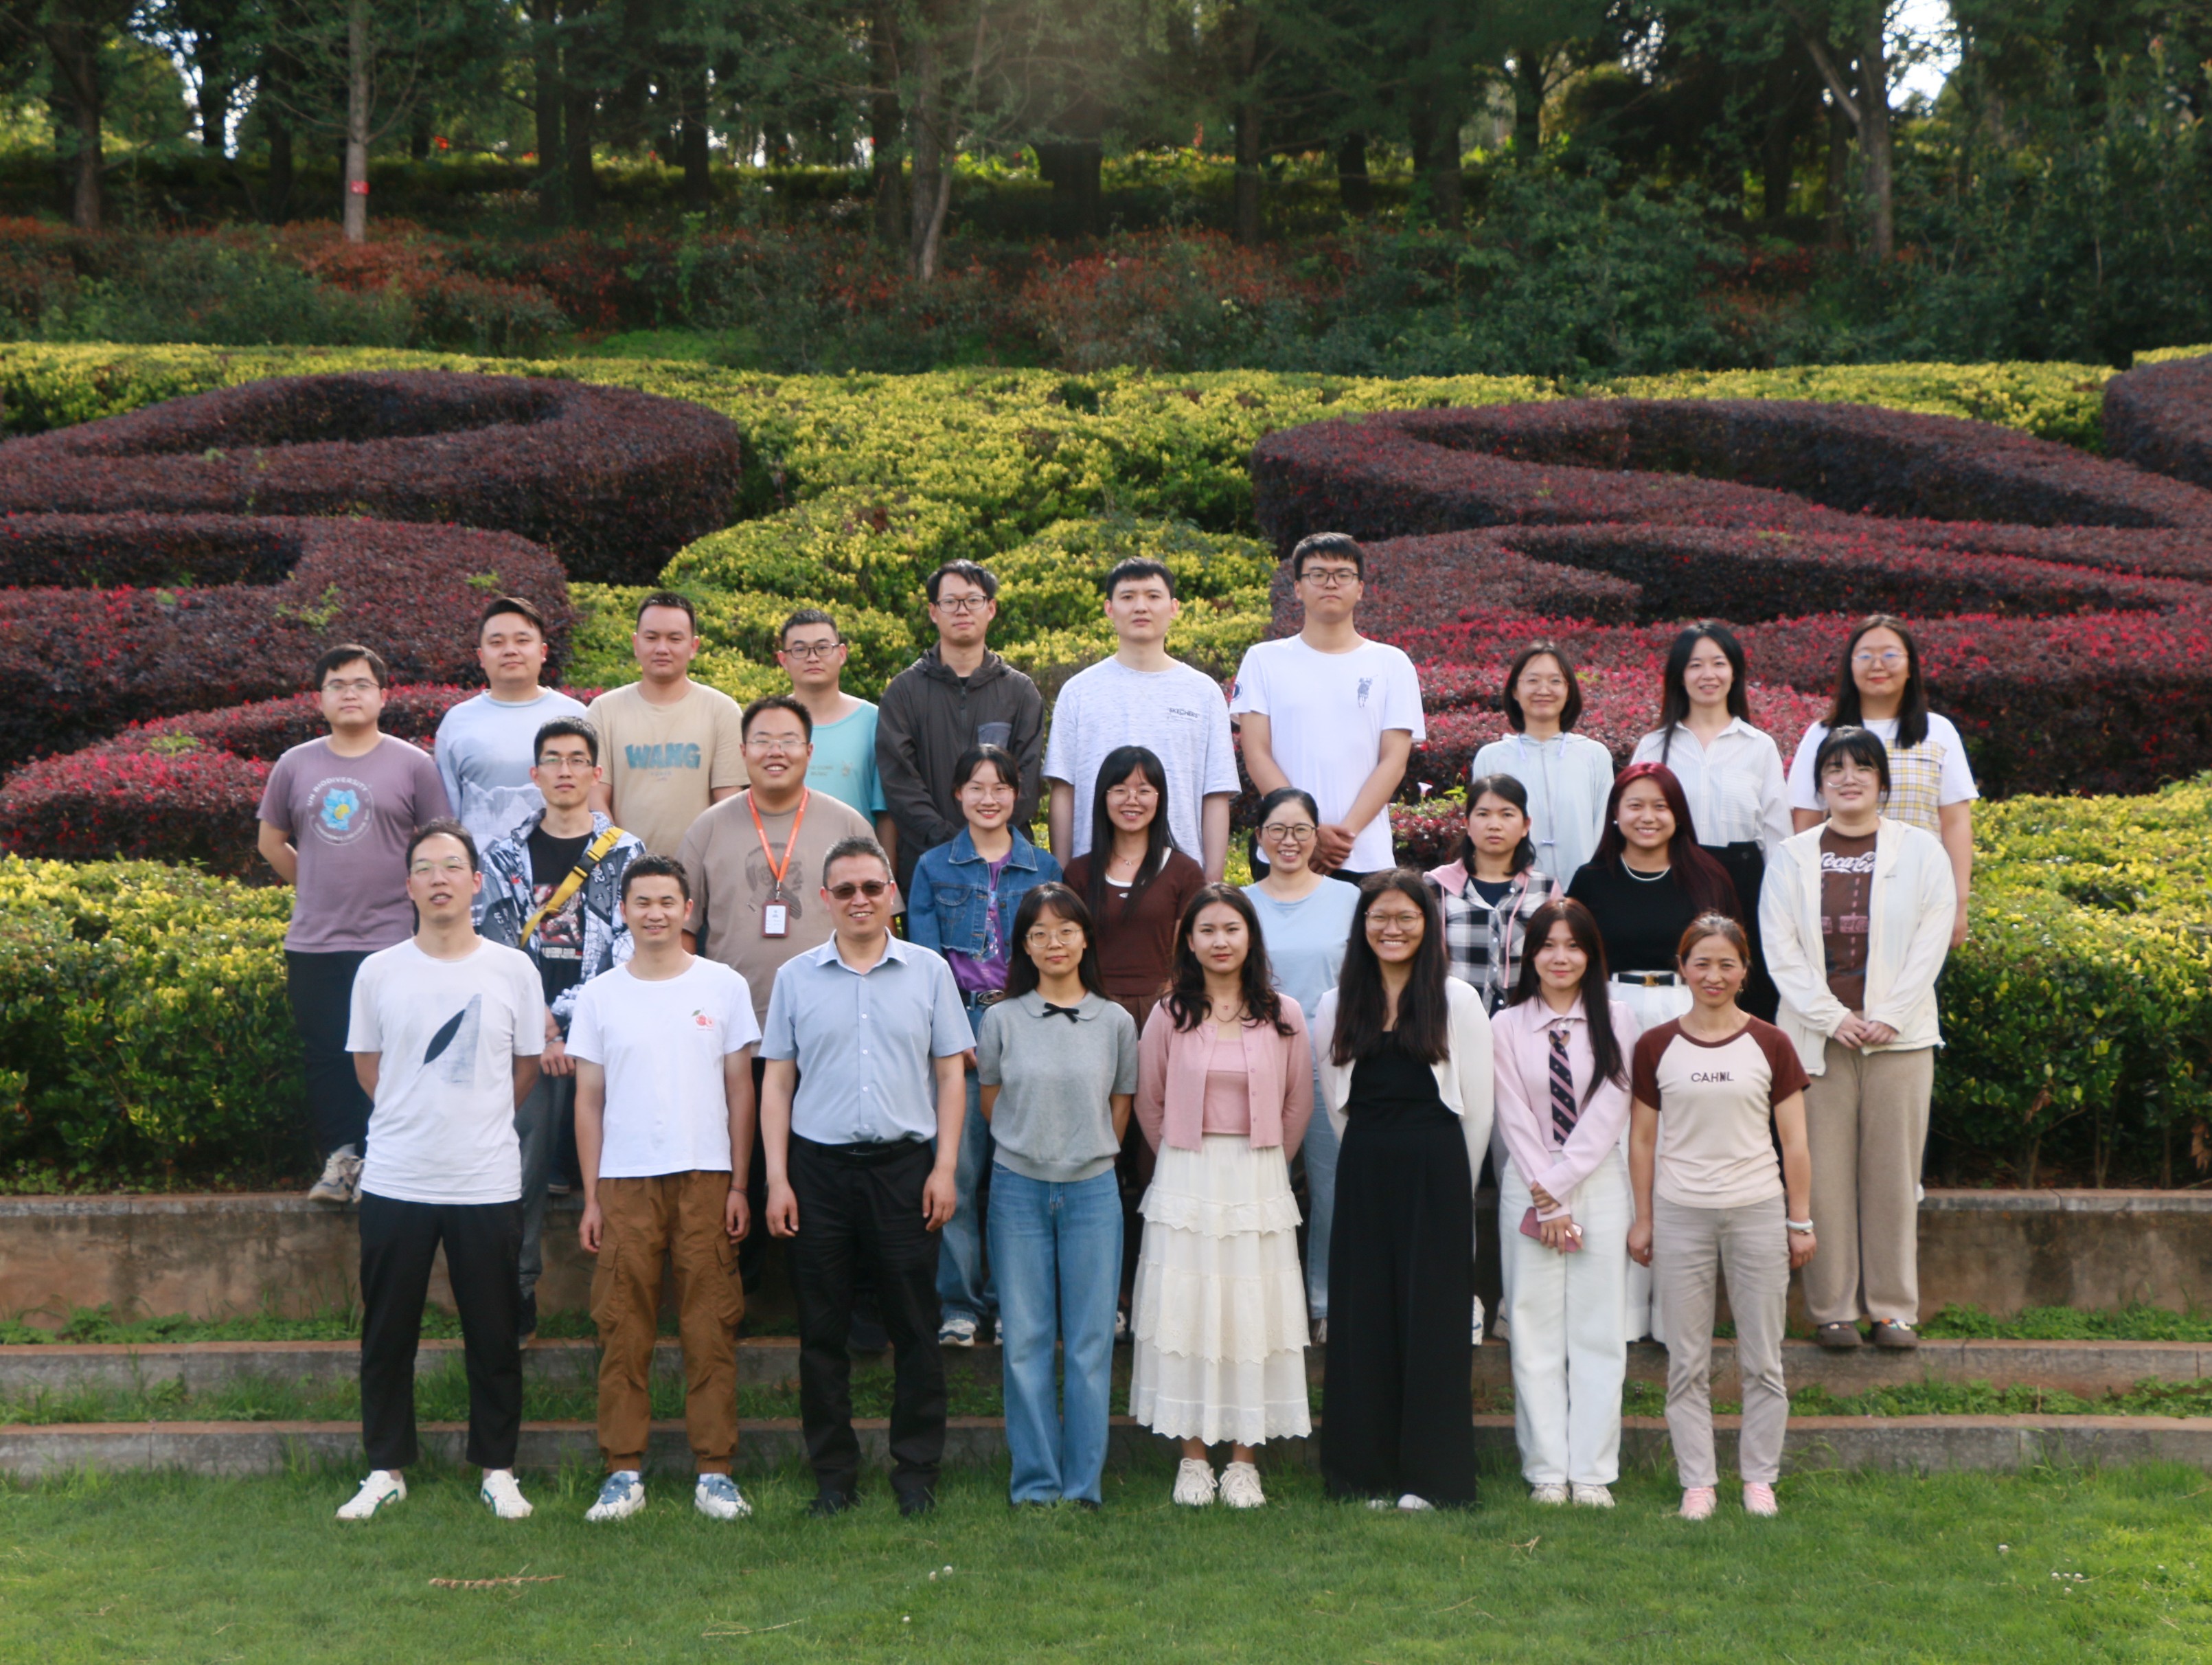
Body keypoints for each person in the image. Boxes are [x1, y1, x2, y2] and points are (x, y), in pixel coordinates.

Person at [334, 820, 545, 1523]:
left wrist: (474, 1117)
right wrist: (415, 1115)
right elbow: (369, 1068)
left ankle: (498, 1469)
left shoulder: (512, 969)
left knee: (494, 1334)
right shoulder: (379, 971)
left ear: (476, 882)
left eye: (452, 866)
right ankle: (385, 1468)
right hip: (397, 1178)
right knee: (387, 1333)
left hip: (485, 1179)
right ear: (408, 886)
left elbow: (524, 1068)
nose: (439, 879)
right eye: (424, 868)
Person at [759, 836, 972, 1517]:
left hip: (904, 1171)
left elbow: (950, 1076)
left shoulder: (928, 972)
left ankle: (916, 1475)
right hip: (817, 1172)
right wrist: (777, 1179)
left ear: (892, 895)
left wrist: (944, 1168)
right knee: (822, 1333)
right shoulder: (795, 978)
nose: (859, 900)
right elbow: (776, 1083)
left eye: (872, 888)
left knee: (914, 1327)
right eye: (845, 890)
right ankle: (833, 1479)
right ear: (824, 899)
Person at [569, 854, 760, 1524]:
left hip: (706, 1175)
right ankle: (623, 1471)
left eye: (667, 902)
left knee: (710, 1324)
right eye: (642, 902)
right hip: (624, 1181)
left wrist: (739, 1184)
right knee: (623, 1325)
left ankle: (715, 1472)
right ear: (623, 911)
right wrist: (592, 1197)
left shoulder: (723, 985)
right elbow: (588, 1101)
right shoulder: (600, 995)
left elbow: (741, 1090)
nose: (655, 913)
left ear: (687, 910)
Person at [1761, 727, 1957, 1354]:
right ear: (1818, 783)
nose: (1848, 778)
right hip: (1816, 1040)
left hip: (1900, 1040)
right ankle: (1832, 1309)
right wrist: (1830, 1015)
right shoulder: (1791, 856)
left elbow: (1931, 937)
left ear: (1882, 781)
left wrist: (1889, 1014)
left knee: (1892, 1177)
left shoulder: (1921, 850)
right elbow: (1780, 949)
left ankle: (1893, 1309)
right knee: (1821, 1177)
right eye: (1835, 768)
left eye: (1862, 767)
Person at [676, 695, 875, 1298]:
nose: (775, 752)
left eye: (788, 740)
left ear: (810, 751)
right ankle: (737, 1299)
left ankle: (838, 1301)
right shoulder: (709, 828)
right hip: (736, 1032)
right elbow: (685, 932)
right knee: (744, 1168)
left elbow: (875, 923)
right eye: (762, 740)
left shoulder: (846, 824)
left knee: (825, 1165)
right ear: (742, 752)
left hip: (829, 1031)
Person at [1312, 873, 1493, 1510]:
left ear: (1427, 925)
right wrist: (1369, 1155)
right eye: (1379, 917)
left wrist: (1456, 1187)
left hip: (1437, 1166)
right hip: (1364, 1166)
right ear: (1362, 926)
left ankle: (1432, 1479)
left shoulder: (1456, 1000)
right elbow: (1337, 1106)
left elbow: (1478, 1108)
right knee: (1362, 1319)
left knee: (1432, 1323)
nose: (1392, 929)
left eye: (1406, 918)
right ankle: (1362, 1474)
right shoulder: (1335, 1004)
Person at [1130, 884, 1314, 1510]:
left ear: (1250, 937)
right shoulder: (1168, 1014)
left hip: (1258, 1176)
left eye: (1231, 929)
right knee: (1188, 1309)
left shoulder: (1283, 1014)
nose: (1219, 941)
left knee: (1250, 1314)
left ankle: (1242, 1463)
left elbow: (1298, 1102)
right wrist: (1185, 1155)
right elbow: (1150, 1101)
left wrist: (1265, 1167)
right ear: (1188, 941)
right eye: (1206, 930)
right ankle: (1192, 1460)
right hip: (1187, 1174)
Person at [1627, 914, 1814, 1522]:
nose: (1713, 975)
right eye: (1701, 963)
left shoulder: (1771, 1043)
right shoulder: (1655, 1045)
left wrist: (1799, 1220)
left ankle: (1759, 1479)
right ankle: (1698, 1483)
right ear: (1681, 969)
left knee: (1763, 1358)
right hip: (1681, 1213)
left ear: (1743, 971)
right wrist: (1644, 1218)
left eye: (1726, 964)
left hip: (1756, 1210)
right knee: (1686, 1361)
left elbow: (1795, 1141)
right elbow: (1642, 1140)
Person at [257, 644, 451, 1205]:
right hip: (315, 941)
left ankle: (387, 1162)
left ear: (383, 696)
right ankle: (341, 1162)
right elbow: (270, 842)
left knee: (395, 1054)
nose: (350, 694)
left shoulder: (412, 765)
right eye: (337, 684)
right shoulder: (295, 764)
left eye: (362, 684)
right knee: (327, 1056)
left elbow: (438, 847)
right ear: (320, 698)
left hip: (393, 940)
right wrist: (315, 883)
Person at [478, 716, 646, 1341]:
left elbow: (630, 949)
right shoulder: (502, 856)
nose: (566, 770)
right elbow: (496, 944)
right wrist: (542, 1030)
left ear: (596, 773)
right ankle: (517, 1291)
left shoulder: (626, 854)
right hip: (526, 1040)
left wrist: (570, 1027)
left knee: (625, 1169)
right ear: (535, 774)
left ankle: (625, 1298)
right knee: (518, 1171)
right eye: (553, 759)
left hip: (603, 1035)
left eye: (578, 759)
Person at [976, 883, 1139, 1508]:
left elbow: (1119, 1104)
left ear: (1086, 939)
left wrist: (1085, 1149)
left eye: (1066, 930)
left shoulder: (1115, 1022)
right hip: (1017, 1190)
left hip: (1092, 1192)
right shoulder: (1001, 1019)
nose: (1054, 943)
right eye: (1039, 933)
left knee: (1091, 1342)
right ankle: (1036, 1483)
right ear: (1024, 945)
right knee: (1024, 1341)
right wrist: (1033, 1143)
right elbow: (992, 1100)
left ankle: (1082, 1484)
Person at [907, 743, 1064, 1348]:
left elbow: (1055, 956)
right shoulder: (933, 867)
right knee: (957, 1169)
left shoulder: (1043, 866)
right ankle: (960, 1306)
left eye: (1000, 787)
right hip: (960, 1027)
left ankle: (1011, 1304)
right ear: (957, 795)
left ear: (1017, 795)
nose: (988, 798)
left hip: (1026, 1023)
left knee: (1017, 1176)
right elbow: (926, 963)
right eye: (975, 787)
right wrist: (955, 1036)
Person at [1490, 898, 1637, 1508]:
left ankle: (1593, 1473)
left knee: (1598, 1330)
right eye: (1547, 945)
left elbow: (1612, 1106)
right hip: (1528, 1185)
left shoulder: (1617, 1017)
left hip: (1597, 1182)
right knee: (1533, 1330)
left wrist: (1564, 1184)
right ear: (1529, 956)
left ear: (1590, 955)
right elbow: (1512, 1115)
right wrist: (1547, 1197)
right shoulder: (1504, 1025)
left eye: (1573, 946)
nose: (1560, 957)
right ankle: (1547, 1470)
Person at [1060, 746, 1207, 1331]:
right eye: (1120, 788)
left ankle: (1155, 1293)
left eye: (1145, 789)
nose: (1132, 799)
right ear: (1102, 798)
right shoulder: (1078, 872)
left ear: (1160, 799)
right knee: (1098, 1157)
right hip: (1093, 1020)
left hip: (1162, 1020)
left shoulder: (1183, 871)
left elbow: (1190, 957)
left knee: (1155, 1157)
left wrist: (1170, 1013)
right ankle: (1103, 1296)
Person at [1231, 532, 1424, 883]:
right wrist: (1306, 831)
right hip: (1283, 849)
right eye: (1317, 574)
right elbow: (1256, 753)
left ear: (1360, 588)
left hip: (1364, 853)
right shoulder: (1264, 660)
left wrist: (1343, 836)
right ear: (1297, 588)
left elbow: (1394, 762)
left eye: (1343, 575)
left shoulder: (1392, 664)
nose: (1330, 583)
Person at [1241, 786, 1360, 1340]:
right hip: (1256, 1059)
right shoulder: (1240, 904)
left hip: (1332, 1058)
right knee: (1260, 1185)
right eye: (1277, 830)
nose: (1288, 841)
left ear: (1316, 837)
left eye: (1301, 830)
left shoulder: (1347, 899)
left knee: (1333, 1187)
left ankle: (1324, 1302)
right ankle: (1260, 1305)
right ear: (1258, 838)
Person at [1630, 622, 1791, 1020]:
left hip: (1744, 882)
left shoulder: (1759, 747)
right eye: (1695, 664)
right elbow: (1631, 823)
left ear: (1734, 672)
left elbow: (1776, 834)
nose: (1708, 674)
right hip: (1672, 878)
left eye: (1718, 663)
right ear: (1679, 675)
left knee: (1744, 997)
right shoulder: (1654, 746)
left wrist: (1783, 902)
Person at [1786, 614, 1976, 949]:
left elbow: (1956, 822)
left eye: (1890, 654)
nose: (1877, 665)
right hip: (1839, 901)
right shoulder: (1822, 735)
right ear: (1850, 666)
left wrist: (1959, 904)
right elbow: (1806, 821)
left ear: (1910, 666)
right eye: (1865, 655)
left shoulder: (1938, 732)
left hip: (1919, 896)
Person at [1045, 557, 1239, 881]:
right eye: (1128, 596)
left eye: (1153, 596)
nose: (1140, 607)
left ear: (1173, 607)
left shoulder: (1203, 692)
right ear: (1109, 609)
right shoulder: (1078, 691)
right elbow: (1063, 791)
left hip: (1181, 880)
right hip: (1094, 878)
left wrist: (1212, 885)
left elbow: (1216, 793)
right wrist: (1063, 881)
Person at [876, 560, 1044, 896]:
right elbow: (900, 784)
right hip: (928, 868)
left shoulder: (1020, 692)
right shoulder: (904, 692)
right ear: (933, 612)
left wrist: (987, 839)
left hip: (1008, 871)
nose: (962, 610)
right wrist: (952, 843)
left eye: (973, 600)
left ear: (991, 608)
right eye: (950, 602)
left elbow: (1027, 781)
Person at [585, 590, 748, 859]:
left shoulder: (721, 710)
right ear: (636, 643)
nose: (662, 648)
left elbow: (728, 802)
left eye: (675, 639)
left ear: (693, 646)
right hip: (624, 867)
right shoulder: (604, 710)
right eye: (652, 638)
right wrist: (619, 857)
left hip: (698, 867)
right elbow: (596, 797)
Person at [433, 595, 588, 865]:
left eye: (522, 640)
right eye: (497, 643)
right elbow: (448, 816)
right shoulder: (457, 722)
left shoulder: (576, 716)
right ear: (481, 656)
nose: (510, 650)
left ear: (543, 651)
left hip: (569, 873)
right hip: (484, 880)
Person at [1469, 642, 1615, 888]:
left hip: (1585, 895)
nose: (1544, 690)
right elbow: (1482, 831)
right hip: (1515, 895)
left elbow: (1605, 831)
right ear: (1515, 690)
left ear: (1569, 690)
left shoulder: (1594, 755)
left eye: (1555, 681)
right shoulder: (1492, 757)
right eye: (1533, 680)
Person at [1427, 773, 1565, 1013]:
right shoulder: (1437, 886)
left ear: (1526, 826)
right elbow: (1426, 963)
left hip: (1526, 1022)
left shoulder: (1545, 890)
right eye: (1483, 814)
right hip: (1453, 1021)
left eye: (1507, 814)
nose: (1494, 825)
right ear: (1467, 824)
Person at [777, 609, 898, 865]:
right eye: (800, 650)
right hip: (782, 867)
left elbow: (886, 815)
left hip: (855, 874)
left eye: (823, 648)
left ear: (842, 654)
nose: (812, 658)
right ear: (783, 659)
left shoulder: (874, 721)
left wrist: (887, 880)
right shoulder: (769, 723)